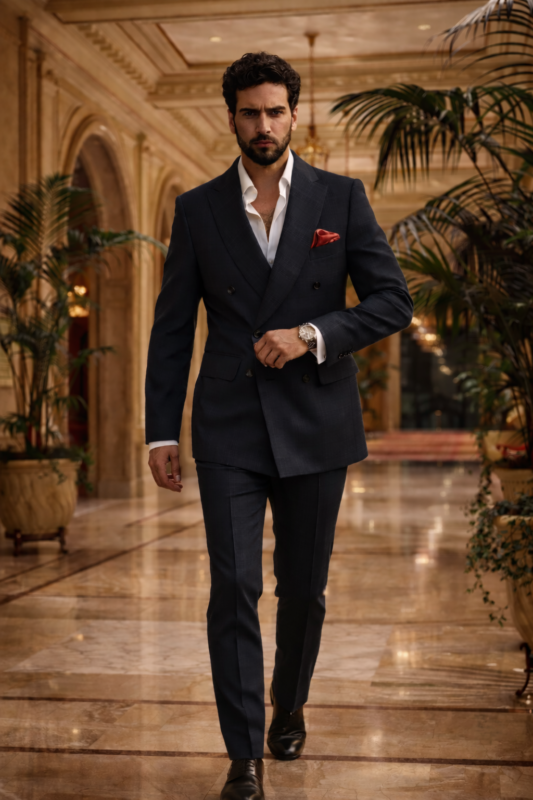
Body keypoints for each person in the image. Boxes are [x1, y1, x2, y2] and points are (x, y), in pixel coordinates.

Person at [145, 51, 412, 800]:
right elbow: (171, 327)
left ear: (294, 113)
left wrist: (312, 334)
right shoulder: (198, 209)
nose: (262, 125)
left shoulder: (341, 198)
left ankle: (288, 704)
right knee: (231, 586)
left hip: (316, 418)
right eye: (248, 112)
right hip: (227, 421)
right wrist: (159, 431)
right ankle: (243, 756)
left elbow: (391, 301)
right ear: (228, 116)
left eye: (274, 111)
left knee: (302, 588)